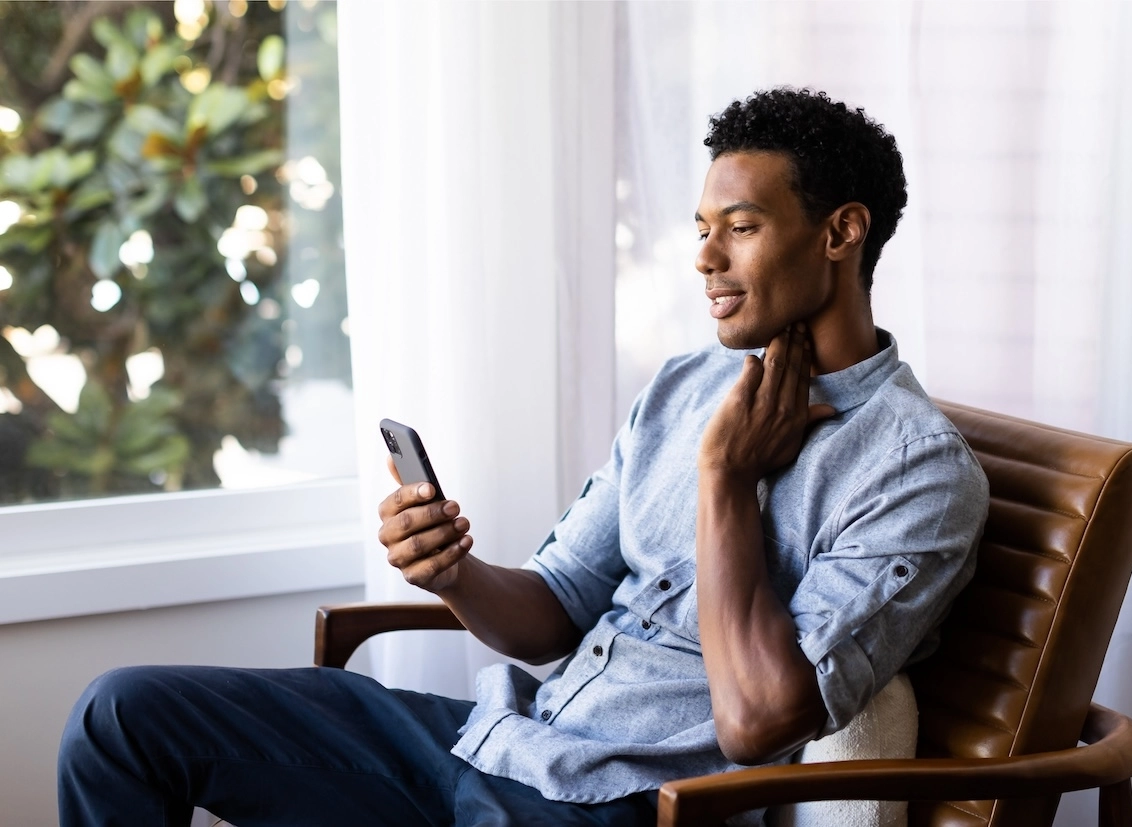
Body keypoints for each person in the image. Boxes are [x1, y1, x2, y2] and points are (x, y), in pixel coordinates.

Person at [58, 87, 988, 827]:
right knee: (124, 717)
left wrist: (726, 480)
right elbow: (551, 612)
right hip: (501, 738)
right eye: (700, 229)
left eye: (739, 227)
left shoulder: (917, 474)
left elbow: (756, 722)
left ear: (840, 233)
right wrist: (455, 573)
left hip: (612, 804)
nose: (705, 257)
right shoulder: (681, 387)